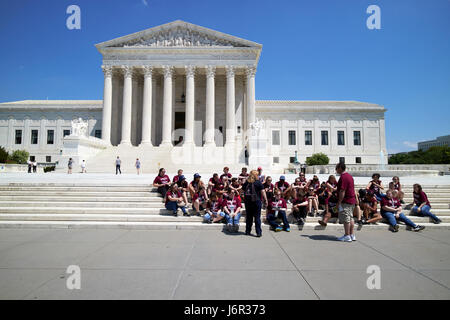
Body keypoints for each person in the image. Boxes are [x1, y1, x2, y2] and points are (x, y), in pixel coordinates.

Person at [242, 170, 268, 237]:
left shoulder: (246, 182)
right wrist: (266, 200)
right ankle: (258, 232)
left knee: (249, 217)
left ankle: (247, 231)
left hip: (248, 202)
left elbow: (242, 191)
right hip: (256, 202)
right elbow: (263, 192)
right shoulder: (258, 182)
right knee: (257, 218)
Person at [336, 162, 357, 242]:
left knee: (346, 219)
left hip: (346, 201)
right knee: (351, 218)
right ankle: (351, 234)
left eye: (337, 168)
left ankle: (347, 235)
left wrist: (339, 202)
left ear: (340, 168)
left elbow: (342, 190)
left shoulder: (343, 177)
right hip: (351, 200)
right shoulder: (349, 176)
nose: (336, 170)